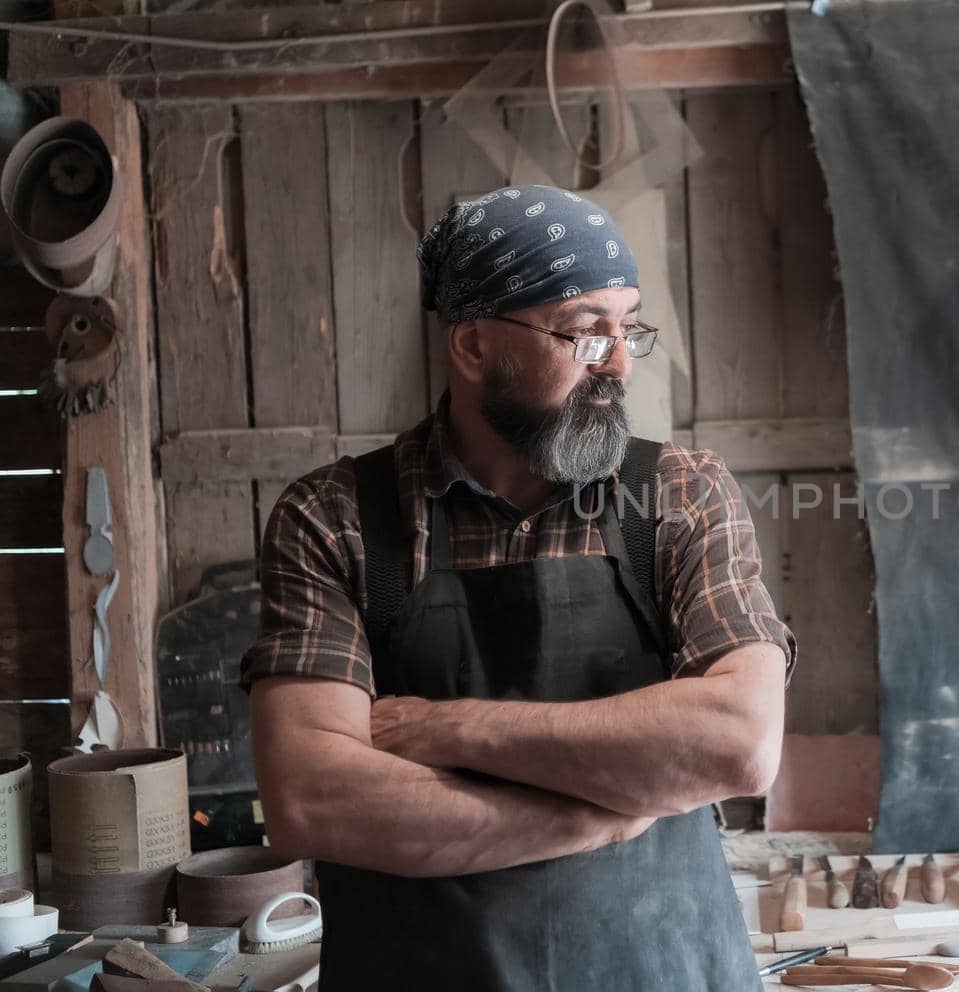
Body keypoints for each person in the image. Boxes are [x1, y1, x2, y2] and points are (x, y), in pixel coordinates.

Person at [240, 184, 793, 990]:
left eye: (628, 325)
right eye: (585, 331)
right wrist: (595, 817)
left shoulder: (679, 494)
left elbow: (739, 741)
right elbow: (313, 799)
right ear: (472, 346)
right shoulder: (334, 519)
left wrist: (453, 730)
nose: (620, 360)